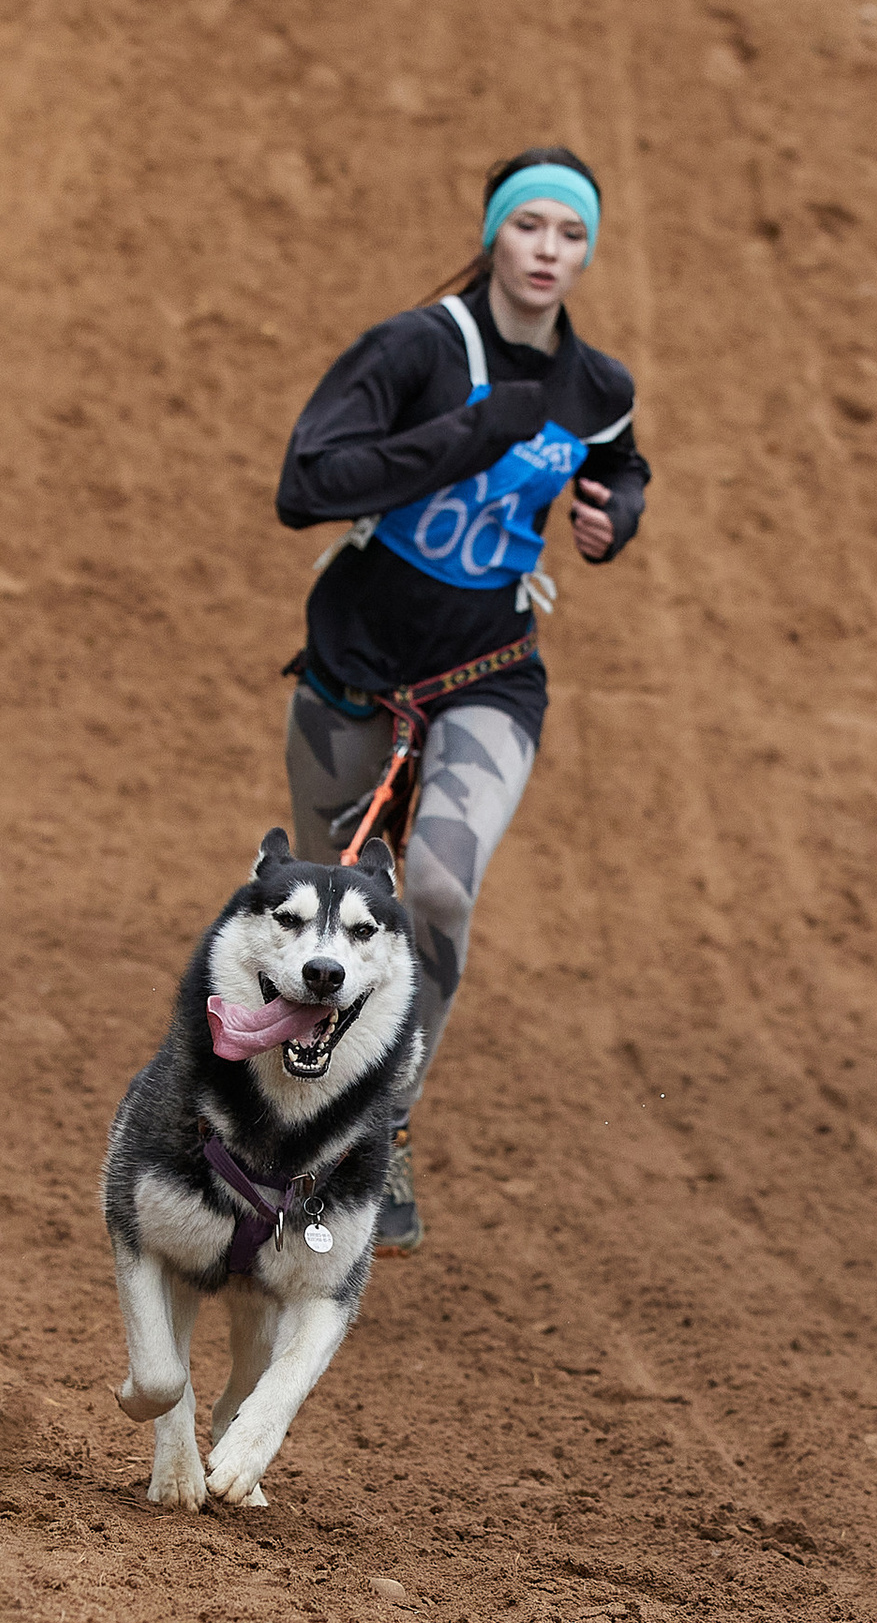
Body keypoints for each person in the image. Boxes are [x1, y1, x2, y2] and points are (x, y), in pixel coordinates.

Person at [275, 145, 649, 1251]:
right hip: (352, 668)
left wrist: (611, 516)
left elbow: (621, 463)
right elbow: (305, 484)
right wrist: (471, 432)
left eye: (570, 235)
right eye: (530, 226)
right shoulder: (414, 350)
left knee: (433, 886)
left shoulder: (596, 386)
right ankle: (291, 1114)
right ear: (496, 232)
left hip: (490, 672)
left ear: (587, 252)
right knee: (325, 920)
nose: (548, 251)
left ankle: (379, 1121)